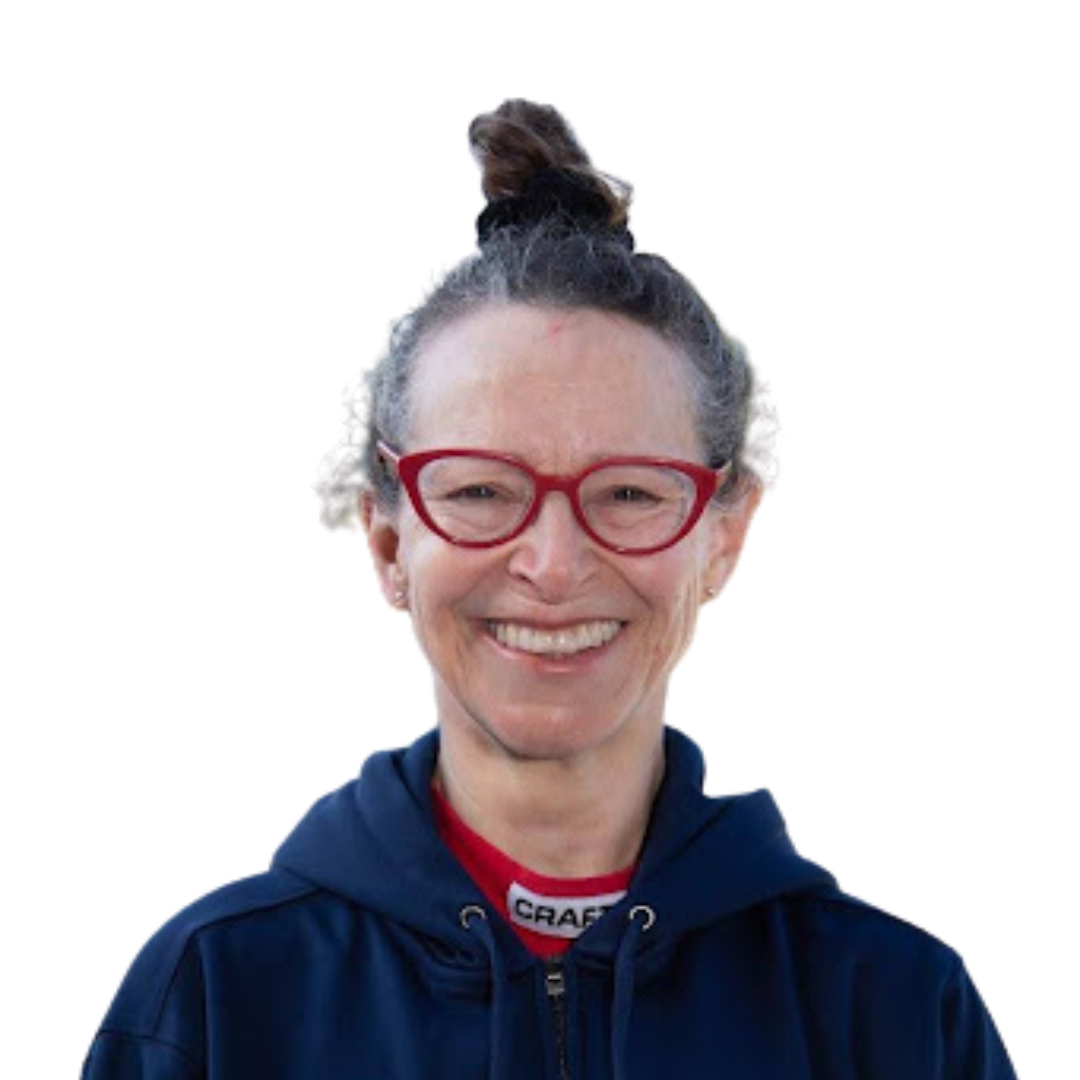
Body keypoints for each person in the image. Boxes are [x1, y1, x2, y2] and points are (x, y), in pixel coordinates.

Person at [81, 100, 1017, 1079]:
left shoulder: (899, 1016)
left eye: (629, 493)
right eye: (481, 491)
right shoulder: (214, 1002)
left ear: (723, 537)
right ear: (390, 542)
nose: (554, 563)